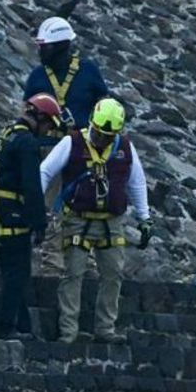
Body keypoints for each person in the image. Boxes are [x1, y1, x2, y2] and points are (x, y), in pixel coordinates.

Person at [40, 98, 153, 344]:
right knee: (73, 274)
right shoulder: (71, 142)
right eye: (99, 134)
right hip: (77, 220)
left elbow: (137, 182)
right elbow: (46, 171)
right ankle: (68, 331)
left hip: (111, 222)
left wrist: (144, 218)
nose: (102, 140)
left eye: (107, 136)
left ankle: (105, 329)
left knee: (113, 274)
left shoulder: (124, 147)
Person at [24, 16, 111, 274]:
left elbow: (103, 107)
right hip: (48, 147)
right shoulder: (37, 76)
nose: (40, 51)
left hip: (83, 151)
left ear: (61, 46)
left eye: (45, 46)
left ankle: (87, 266)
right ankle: (52, 265)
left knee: (84, 207)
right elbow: (26, 114)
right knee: (51, 206)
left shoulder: (89, 72)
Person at [0, 94, 63, 339]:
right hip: (11, 210)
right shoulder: (27, 142)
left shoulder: (6, 134)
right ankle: (5, 327)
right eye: (49, 124)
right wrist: (39, 222)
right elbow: (31, 184)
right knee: (18, 272)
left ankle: (23, 326)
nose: (48, 130)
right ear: (39, 117)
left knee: (12, 270)